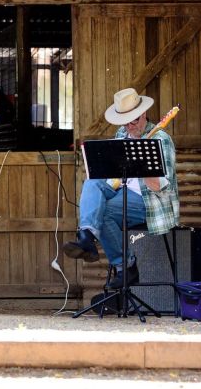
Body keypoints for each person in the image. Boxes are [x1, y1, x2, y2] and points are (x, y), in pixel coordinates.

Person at [63, 88, 179, 289]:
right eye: (125, 122)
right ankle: (87, 235)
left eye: (134, 121)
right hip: (121, 190)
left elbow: (161, 187)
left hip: (150, 202)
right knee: (92, 181)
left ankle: (126, 267)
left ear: (143, 114)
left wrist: (141, 164)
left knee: (105, 212)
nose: (130, 127)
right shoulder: (122, 134)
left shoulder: (161, 139)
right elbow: (111, 177)